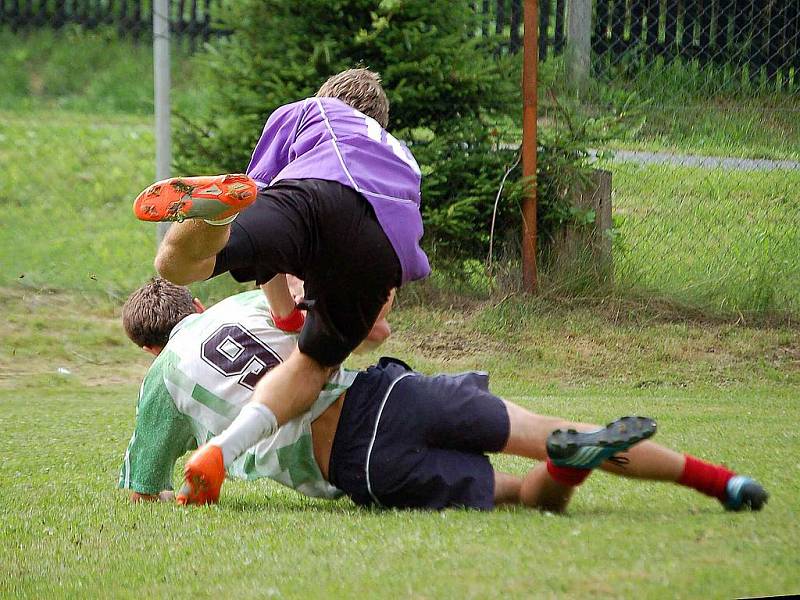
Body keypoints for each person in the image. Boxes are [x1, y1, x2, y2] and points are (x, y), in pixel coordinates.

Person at [119, 279, 767, 513]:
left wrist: (176, 493)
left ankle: (559, 475)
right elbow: (303, 296)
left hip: (352, 462)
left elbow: (140, 490)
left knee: (518, 494)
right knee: (545, 426)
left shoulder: (160, 380)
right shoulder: (241, 301)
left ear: (150, 350)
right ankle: (724, 483)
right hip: (389, 392)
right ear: (197, 304)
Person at [132, 68, 429, 505]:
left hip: (313, 200)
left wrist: (284, 314)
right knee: (360, 339)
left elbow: (261, 205)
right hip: (384, 244)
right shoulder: (400, 156)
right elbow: (382, 301)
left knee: (178, 266)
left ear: (327, 97)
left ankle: (213, 217)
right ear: (380, 123)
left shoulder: (313, 113)